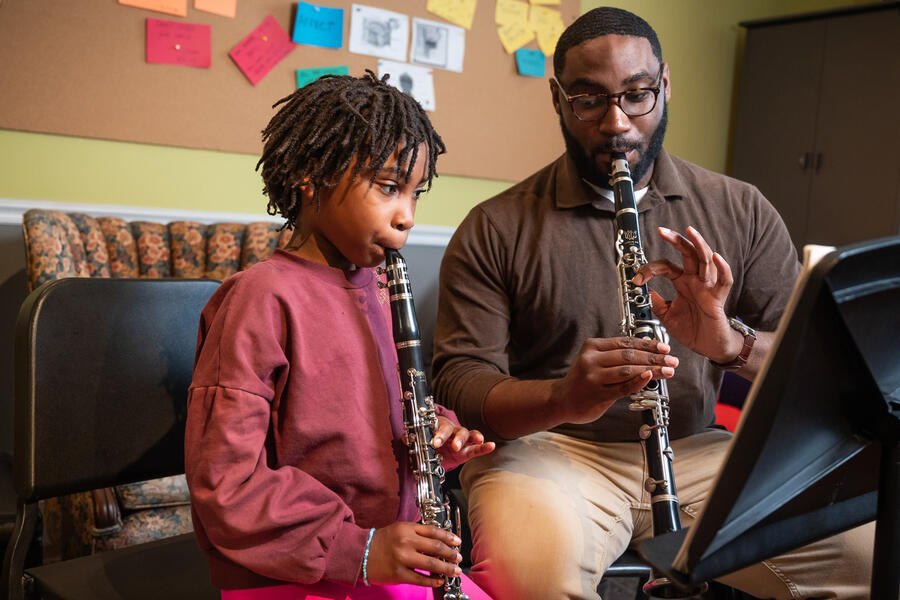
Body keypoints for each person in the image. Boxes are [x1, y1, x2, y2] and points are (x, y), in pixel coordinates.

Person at [431, 8, 874, 600]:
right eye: (588, 100)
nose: (616, 124)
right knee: (530, 576)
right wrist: (564, 396)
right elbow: (461, 382)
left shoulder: (740, 208)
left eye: (637, 95)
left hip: (696, 448)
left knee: (868, 556)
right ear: (558, 100)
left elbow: (817, 366)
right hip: (549, 452)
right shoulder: (495, 225)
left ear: (664, 86)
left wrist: (729, 343)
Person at [184, 71, 495, 600]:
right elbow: (226, 485)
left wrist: (436, 434)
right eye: (389, 188)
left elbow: (372, 423)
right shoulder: (259, 299)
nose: (408, 216)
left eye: (416, 194)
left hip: (381, 561)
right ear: (313, 176)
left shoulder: (379, 290)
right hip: (290, 571)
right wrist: (362, 549)